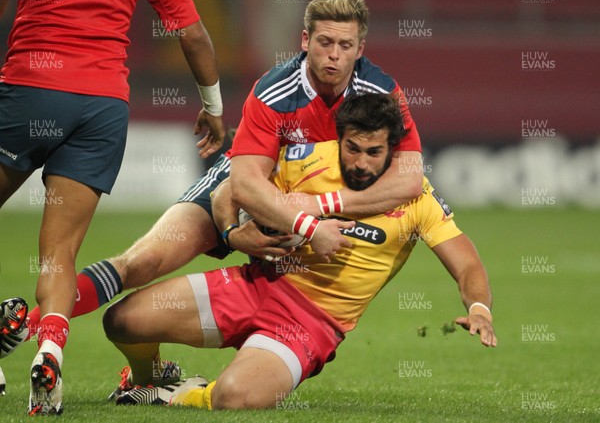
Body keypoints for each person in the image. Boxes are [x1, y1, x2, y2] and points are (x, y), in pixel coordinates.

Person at [1, 0, 424, 369]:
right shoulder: (274, 91)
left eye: (345, 45)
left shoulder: (381, 93)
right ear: (304, 41)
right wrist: (233, 229)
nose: (333, 55)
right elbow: (243, 185)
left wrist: (316, 208)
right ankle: (26, 324)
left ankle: (158, 369)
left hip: (300, 206)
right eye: (324, 42)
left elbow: (409, 180)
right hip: (246, 189)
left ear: (360, 48)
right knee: (144, 260)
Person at [102, 93, 497, 410]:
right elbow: (229, 189)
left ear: (395, 150)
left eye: (373, 152)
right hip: (257, 285)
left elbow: (467, 264)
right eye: (352, 148)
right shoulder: (309, 158)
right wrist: (232, 232)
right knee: (121, 321)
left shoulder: (418, 199)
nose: (360, 162)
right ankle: (150, 375)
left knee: (234, 397)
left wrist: (479, 308)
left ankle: (171, 394)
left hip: (309, 325)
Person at [0, 0, 224, 415]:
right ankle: (51, 351)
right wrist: (213, 107)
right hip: (102, 107)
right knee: (60, 251)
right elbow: (192, 33)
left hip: (32, 88)